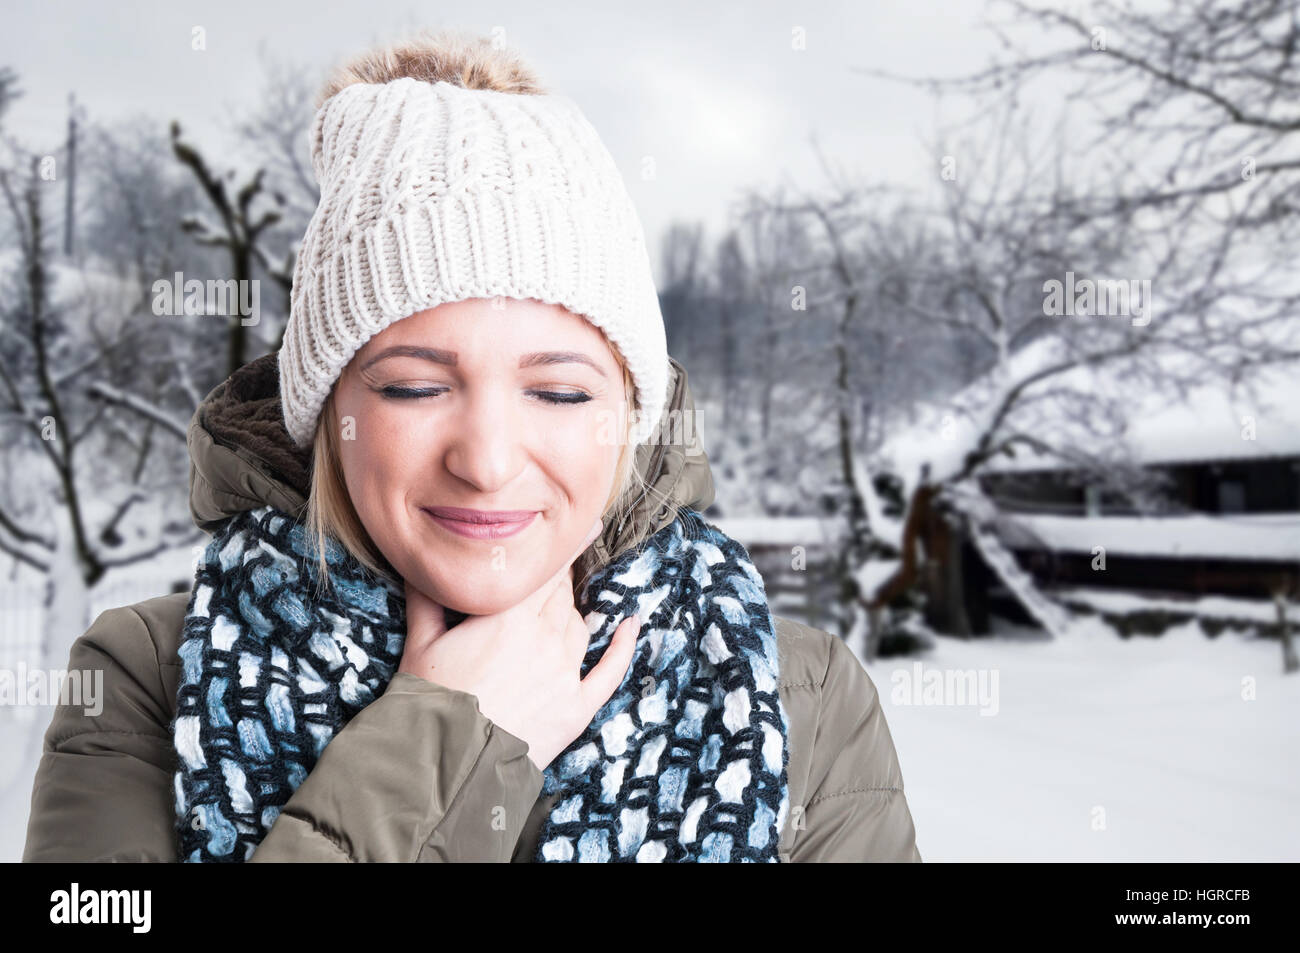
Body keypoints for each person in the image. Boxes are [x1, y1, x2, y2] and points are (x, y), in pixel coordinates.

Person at [22, 29, 921, 863]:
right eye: (416, 386)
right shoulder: (147, 678)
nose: (487, 461)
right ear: (329, 407)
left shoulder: (801, 695)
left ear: (630, 414)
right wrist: (434, 747)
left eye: (560, 392)